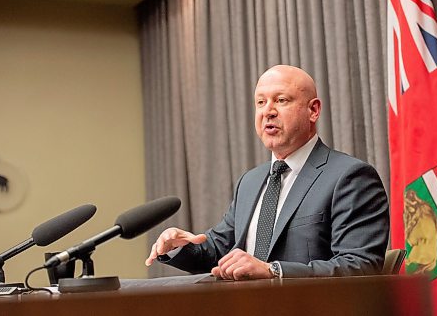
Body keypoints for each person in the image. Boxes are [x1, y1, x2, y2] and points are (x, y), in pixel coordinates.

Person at [146, 65, 389, 280]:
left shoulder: (350, 177)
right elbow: (219, 249)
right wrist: (180, 247)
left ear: (313, 110)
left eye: (281, 100)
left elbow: (359, 267)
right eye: (261, 102)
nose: (268, 111)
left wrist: (273, 271)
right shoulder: (250, 182)